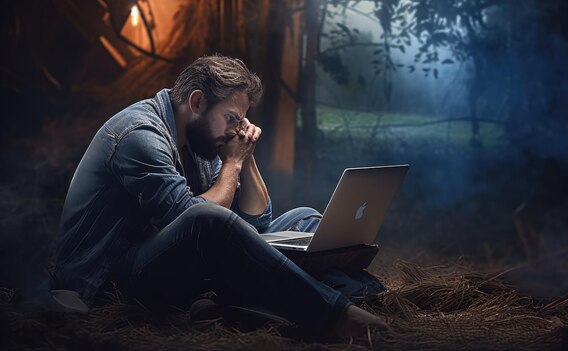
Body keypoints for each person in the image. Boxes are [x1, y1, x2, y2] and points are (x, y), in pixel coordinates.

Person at [54, 54, 388, 338]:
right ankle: (337, 313)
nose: (235, 130)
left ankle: (324, 294)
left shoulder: (201, 138)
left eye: (241, 121)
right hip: (110, 278)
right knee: (206, 219)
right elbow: (193, 220)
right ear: (197, 102)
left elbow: (257, 220)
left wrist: (247, 154)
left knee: (303, 217)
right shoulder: (139, 135)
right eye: (231, 118)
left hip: (173, 263)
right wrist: (233, 162)